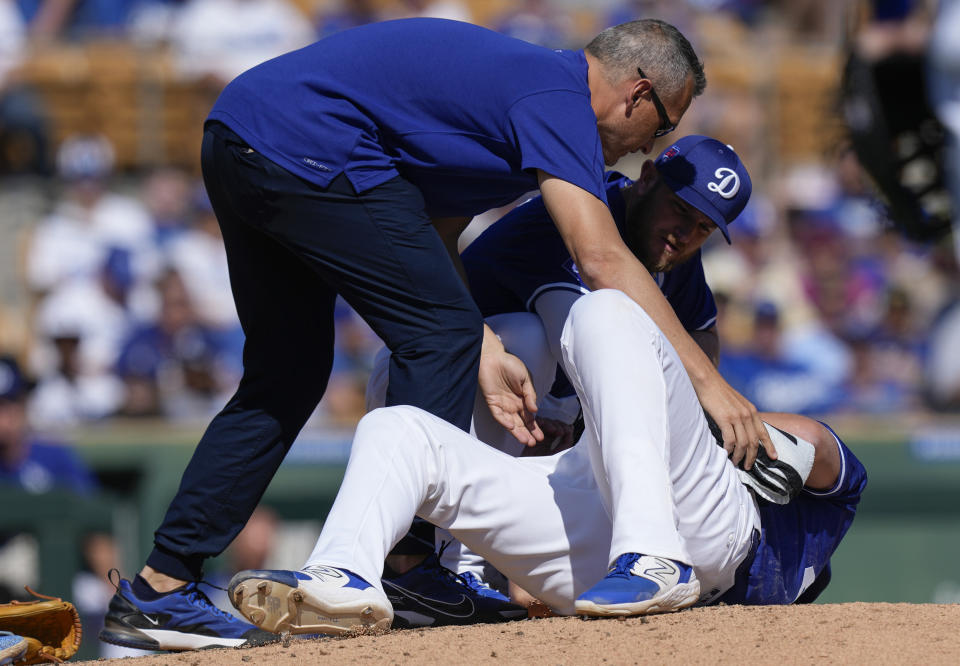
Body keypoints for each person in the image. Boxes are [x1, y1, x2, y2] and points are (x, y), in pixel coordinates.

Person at [101, 17, 772, 651]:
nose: (648, 146)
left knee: (290, 374)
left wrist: (477, 341)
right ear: (637, 93)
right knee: (439, 338)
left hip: (242, 133)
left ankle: (161, 588)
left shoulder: (521, 99)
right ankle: (410, 567)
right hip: (308, 141)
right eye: (660, 127)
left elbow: (438, 227)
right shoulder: (559, 96)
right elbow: (600, 258)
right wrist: (711, 385)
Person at [224, 287, 866, 633]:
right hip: (601, 536)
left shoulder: (780, 564)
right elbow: (827, 456)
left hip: (707, 537)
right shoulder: (818, 510)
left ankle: (656, 558)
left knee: (604, 308)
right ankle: (341, 580)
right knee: (398, 430)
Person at [361, 135, 755, 625]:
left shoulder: (667, 243)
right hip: (427, 396)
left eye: (703, 226)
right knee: (531, 337)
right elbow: (585, 331)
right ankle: (440, 568)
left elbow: (699, 338)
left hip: (524, 414)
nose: (685, 231)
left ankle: (458, 575)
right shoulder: (571, 221)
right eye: (679, 208)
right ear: (648, 177)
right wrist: (561, 414)